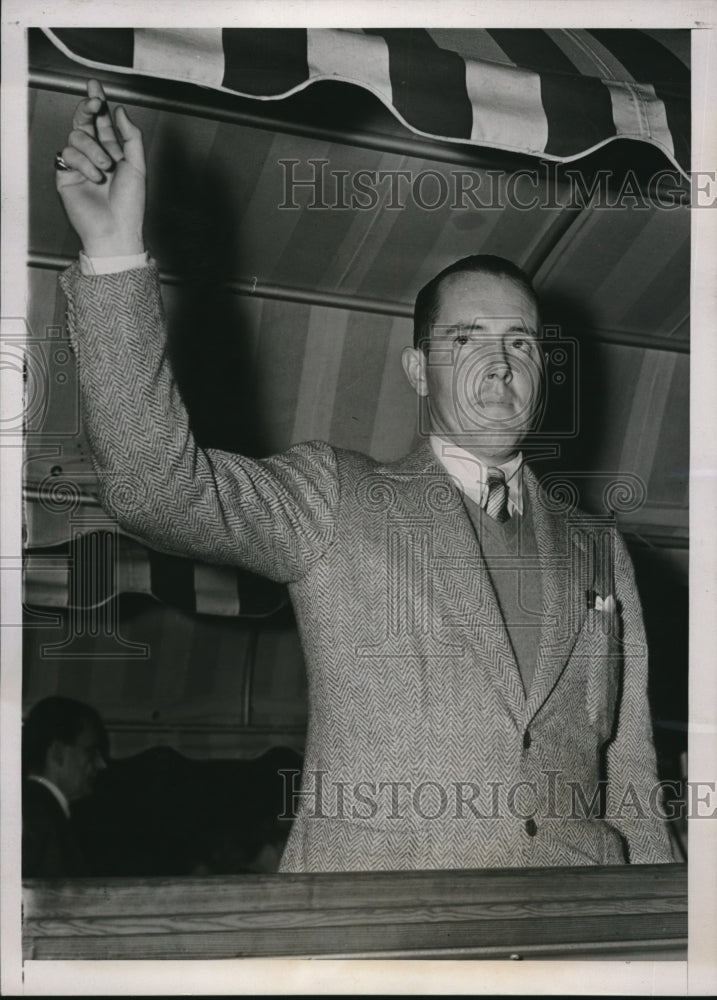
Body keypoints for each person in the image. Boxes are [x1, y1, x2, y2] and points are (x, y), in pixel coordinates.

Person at [53, 79, 673, 872]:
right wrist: (113, 256)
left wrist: (654, 933)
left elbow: (625, 773)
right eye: (467, 340)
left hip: (568, 926)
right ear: (417, 369)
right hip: (384, 924)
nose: (499, 363)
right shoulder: (335, 500)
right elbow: (152, 486)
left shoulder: (600, 551)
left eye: (521, 342)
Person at [22, 696, 108, 877]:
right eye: (91, 752)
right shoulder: (36, 817)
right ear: (58, 752)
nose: (101, 764)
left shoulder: (37, 811)